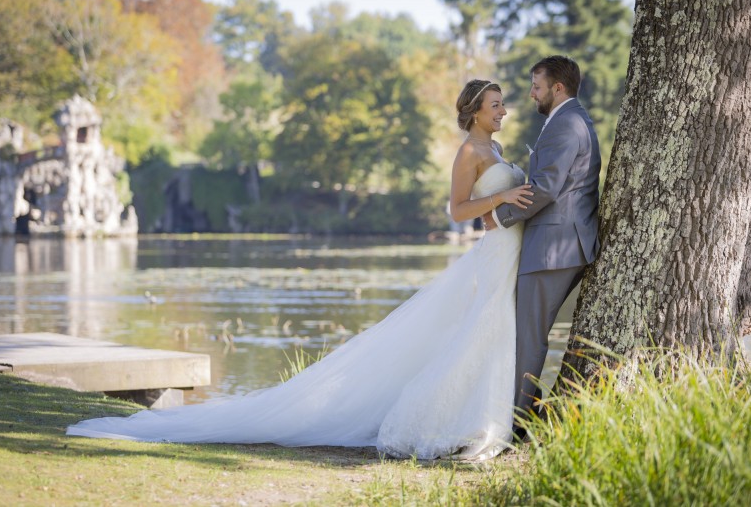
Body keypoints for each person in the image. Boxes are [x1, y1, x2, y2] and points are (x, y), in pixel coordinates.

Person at [67, 79, 533, 461]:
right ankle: (462, 423)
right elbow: (457, 211)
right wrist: (501, 198)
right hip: (492, 254)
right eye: (496, 105)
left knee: (488, 334)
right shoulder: (469, 153)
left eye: (503, 105)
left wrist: (512, 200)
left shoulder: (496, 149)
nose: (504, 111)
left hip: (505, 253)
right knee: (483, 331)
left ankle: (482, 419)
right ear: (474, 111)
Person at [483, 55, 601, 434]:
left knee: (528, 336)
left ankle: (517, 424)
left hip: (554, 246)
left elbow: (547, 187)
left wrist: (500, 217)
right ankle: (522, 415)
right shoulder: (572, 120)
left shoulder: (566, 124)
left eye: (537, 86)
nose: (532, 94)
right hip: (561, 241)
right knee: (528, 333)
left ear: (558, 88)